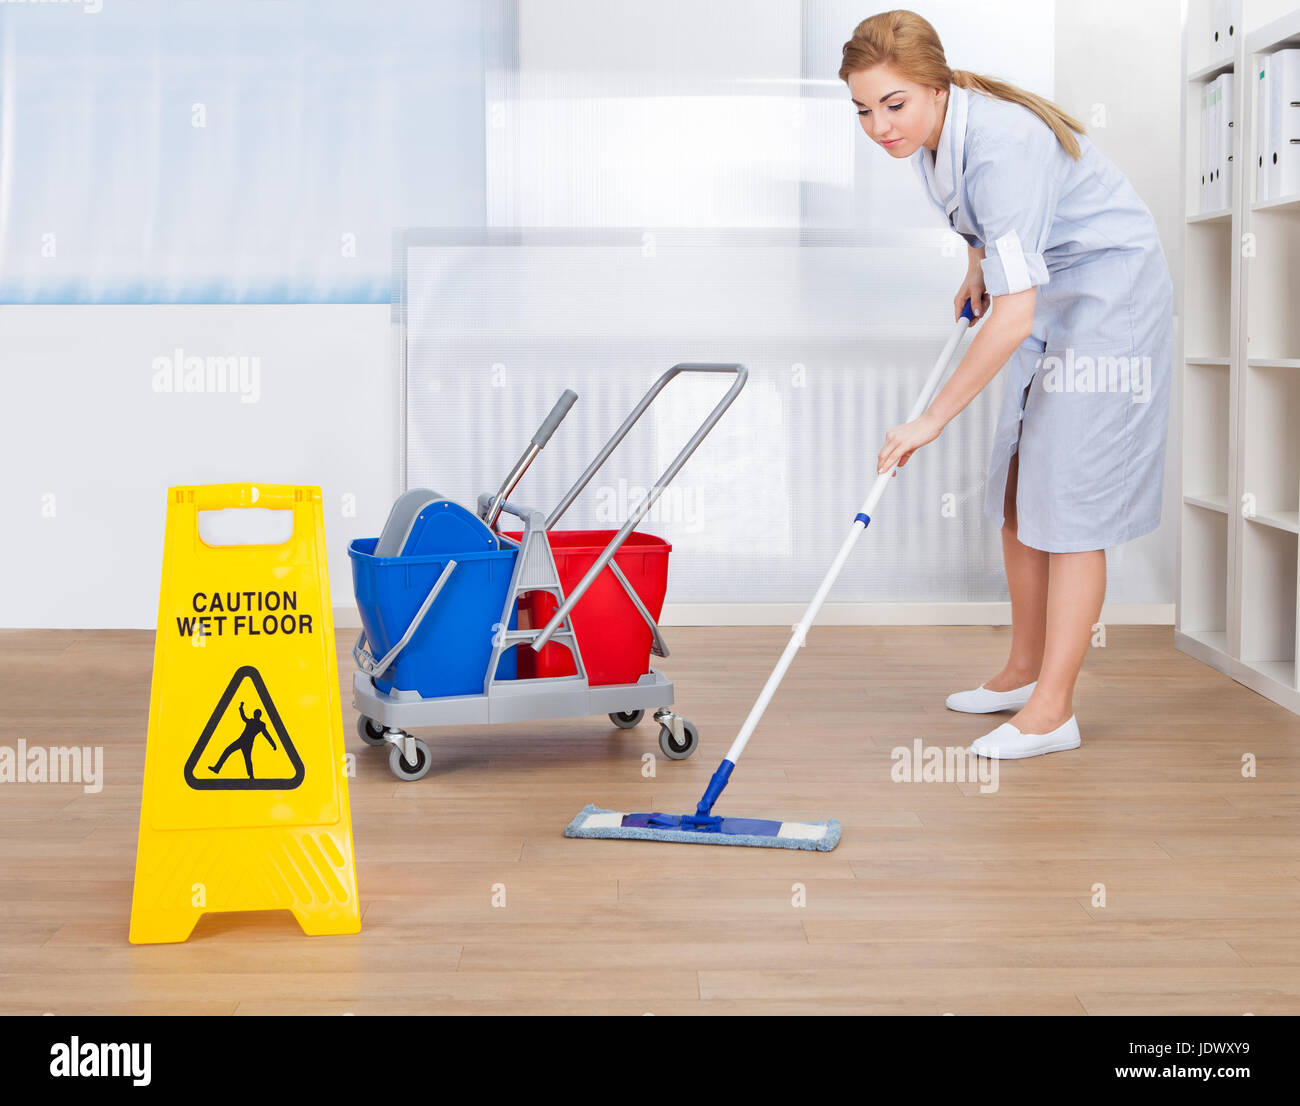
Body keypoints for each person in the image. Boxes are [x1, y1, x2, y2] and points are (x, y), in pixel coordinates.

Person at [840, 10, 1173, 759]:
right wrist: (975, 266)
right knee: (1020, 486)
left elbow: (1013, 316)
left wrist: (929, 420)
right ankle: (1023, 671)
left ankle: (1054, 712)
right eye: (862, 109)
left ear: (935, 85)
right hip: (1051, 287)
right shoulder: (934, 142)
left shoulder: (1001, 144)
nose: (878, 126)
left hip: (1108, 294)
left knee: (1072, 504)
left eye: (893, 105)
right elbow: (992, 227)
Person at [209, 701, 277, 778]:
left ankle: (251, 775)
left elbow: (267, 735)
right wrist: (241, 708)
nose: (254, 714)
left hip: (244, 742)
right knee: (231, 752)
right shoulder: (258, 724)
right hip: (244, 741)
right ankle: (217, 768)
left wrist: (273, 744)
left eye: (255, 713)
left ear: (258, 715)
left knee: (245, 758)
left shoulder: (257, 723)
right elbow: (244, 717)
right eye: (254, 713)